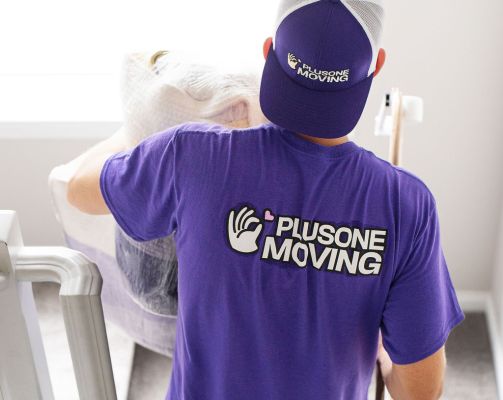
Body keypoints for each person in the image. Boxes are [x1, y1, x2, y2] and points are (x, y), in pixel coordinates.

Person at [67, 0, 465, 398]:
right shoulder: (406, 206)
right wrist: (387, 354)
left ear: (268, 50)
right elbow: (420, 392)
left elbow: (78, 188)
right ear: (376, 65)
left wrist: (144, 125)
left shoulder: (192, 154)